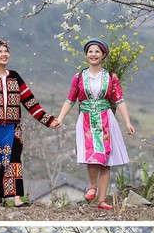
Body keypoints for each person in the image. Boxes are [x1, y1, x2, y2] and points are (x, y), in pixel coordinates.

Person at [0, 38, 60, 207]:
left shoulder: (15, 77)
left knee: (14, 161)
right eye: (0, 51)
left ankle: (17, 199)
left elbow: (30, 102)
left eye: (6, 51)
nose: (4, 54)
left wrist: (48, 121)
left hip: (12, 129)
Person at [54, 38, 136, 211]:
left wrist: (127, 121)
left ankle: (102, 200)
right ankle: (93, 185)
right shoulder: (78, 77)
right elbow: (70, 99)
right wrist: (60, 118)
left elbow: (119, 100)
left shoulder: (111, 77)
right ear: (86, 55)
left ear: (103, 55)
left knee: (106, 159)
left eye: (97, 51)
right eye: (90, 51)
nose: (93, 54)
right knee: (93, 154)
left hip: (106, 117)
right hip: (86, 119)